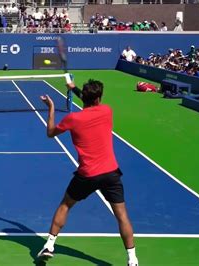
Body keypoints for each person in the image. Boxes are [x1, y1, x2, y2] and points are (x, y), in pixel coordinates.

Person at [37, 80, 139, 266]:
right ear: (99, 98)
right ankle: (132, 260)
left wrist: (51, 107)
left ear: (84, 96)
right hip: (111, 173)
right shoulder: (107, 111)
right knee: (122, 216)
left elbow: (50, 132)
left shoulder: (73, 119)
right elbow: (90, 101)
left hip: (87, 175)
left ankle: (49, 245)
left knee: (66, 205)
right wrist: (73, 88)